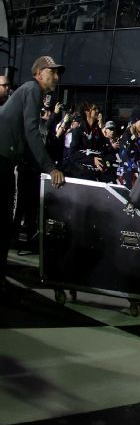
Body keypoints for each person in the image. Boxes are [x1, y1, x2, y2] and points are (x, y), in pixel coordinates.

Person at [0, 57, 67, 295]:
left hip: (7, 160)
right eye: (53, 73)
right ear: (39, 73)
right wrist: (50, 168)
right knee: (6, 220)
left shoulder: (29, 92)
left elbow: (28, 138)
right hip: (2, 159)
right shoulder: (32, 90)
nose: (57, 78)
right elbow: (31, 131)